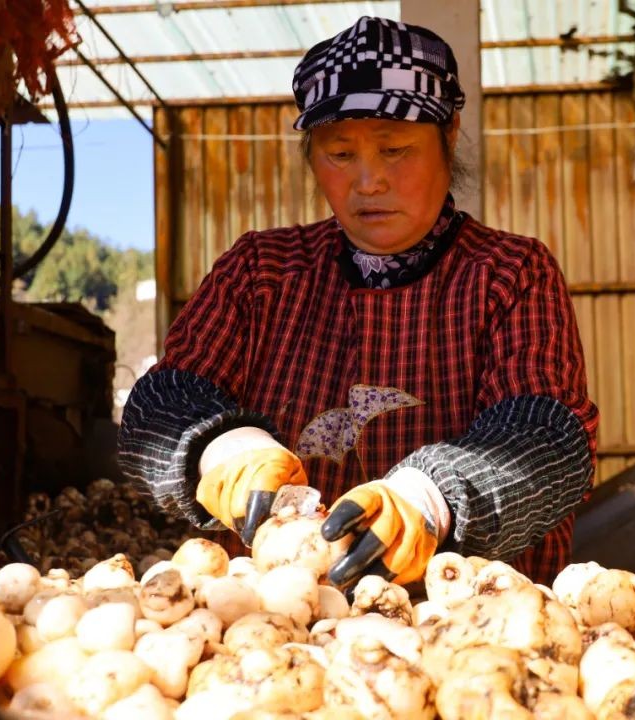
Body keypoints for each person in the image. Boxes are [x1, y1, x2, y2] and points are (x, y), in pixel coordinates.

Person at [117, 15, 599, 589]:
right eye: (340, 154)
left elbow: (548, 436)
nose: (368, 181)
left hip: (469, 626)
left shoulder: (509, 274)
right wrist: (222, 449)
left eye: (395, 149)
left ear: (449, 136)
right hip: (273, 624)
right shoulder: (260, 271)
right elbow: (162, 400)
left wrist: (431, 499)